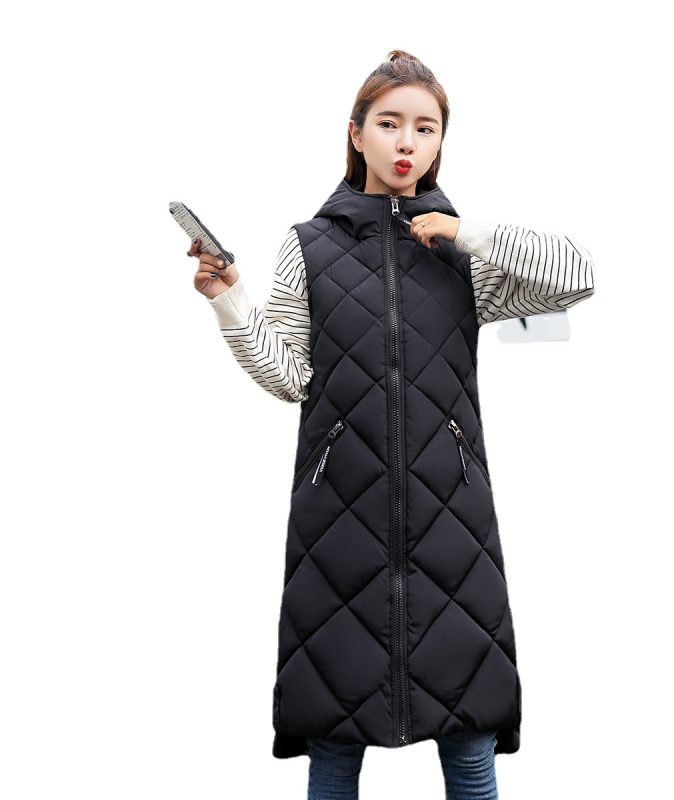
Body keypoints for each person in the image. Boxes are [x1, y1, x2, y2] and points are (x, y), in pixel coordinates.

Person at [187, 49, 595, 800]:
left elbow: (576, 275)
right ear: (357, 133)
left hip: (453, 527)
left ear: (441, 141)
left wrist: (465, 231)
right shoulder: (308, 248)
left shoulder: (461, 253)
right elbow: (289, 378)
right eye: (389, 123)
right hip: (338, 528)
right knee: (334, 746)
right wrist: (229, 299)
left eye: (426, 128)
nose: (407, 141)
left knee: (470, 743)